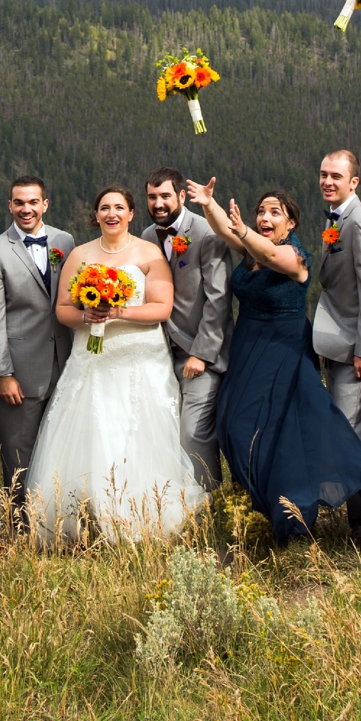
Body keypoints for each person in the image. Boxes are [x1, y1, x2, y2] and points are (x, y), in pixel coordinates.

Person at [186, 179, 361, 544]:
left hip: (284, 350)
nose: (265, 217)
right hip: (247, 347)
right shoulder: (249, 251)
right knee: (232, 424)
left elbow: (271, 257)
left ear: (291, 224)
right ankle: (263, 504)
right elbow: (229, 232)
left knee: (284, 432)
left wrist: (242, 228)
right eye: (261, 211)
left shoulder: (294, 255)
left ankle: (294, 516)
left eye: (276, 212)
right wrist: (209, 204)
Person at [32, 186, 205, 542]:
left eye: (119, 207)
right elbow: (63, 310)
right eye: (104, 208)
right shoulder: (80, 255)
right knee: (93, 431)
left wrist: (117, 311)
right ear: (94, 215)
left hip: (139, 356)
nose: (112, 214)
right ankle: (90, 519)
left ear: (130, 214)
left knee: (139, 433)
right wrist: (87, 316)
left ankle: (145, 518)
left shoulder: (149, 253)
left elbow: (161, 307)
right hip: (92, 358)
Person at [0, 175, 76, 511]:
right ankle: (19, 529)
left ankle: (59, 524)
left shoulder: (66, 241)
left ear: (45, 204)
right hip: (19, 373)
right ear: (10, 205)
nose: (26, 209)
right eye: (19, 202)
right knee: (18, 458)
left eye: (33, 202)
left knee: (62, 451)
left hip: (65, 366)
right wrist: (2, 373)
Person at [146, 167, 229, 491]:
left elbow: (218, 298)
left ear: (181, 196)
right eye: (152, 197)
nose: (159, 203)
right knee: (163, 430)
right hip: (159, 353)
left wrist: (201, 354)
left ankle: (209, 501)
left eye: (165, 195)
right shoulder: (146, 237)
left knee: (193, 431)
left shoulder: (208, 232)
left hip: (199, 354)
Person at [311, 149, 361, 446]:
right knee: (342, 433)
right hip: (339, 346)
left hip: (357, 351)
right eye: (323, 175)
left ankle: (358, 494)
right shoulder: (337, 219)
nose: (327, 182)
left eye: (336, 177)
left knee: (351, 436)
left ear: (353, 182)